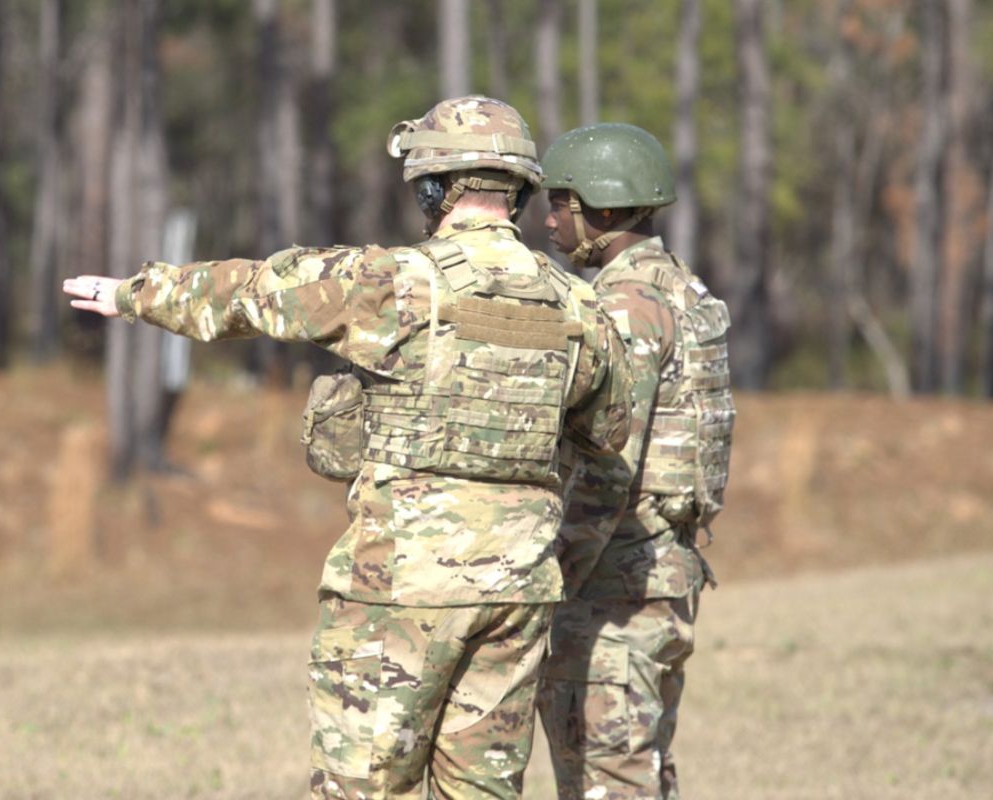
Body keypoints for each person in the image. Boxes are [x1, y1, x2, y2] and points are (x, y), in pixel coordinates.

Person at [64, 96, 632, 800]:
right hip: (518, 589)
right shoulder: (578, 306)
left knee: (364, 786)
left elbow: (251, 292)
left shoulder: (394, 284)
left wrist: (134, 293)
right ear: (517, 191)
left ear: (436, 188)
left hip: (402, 585)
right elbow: (607, 438)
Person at [535, 123, 736, 800]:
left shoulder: (627, 307)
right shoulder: (681, 288)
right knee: (642, 775)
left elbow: (605, 465)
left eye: (562, 203)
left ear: (608, 210)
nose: (550, 218)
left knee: (607, 780)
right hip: (658, 580)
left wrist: (547, 579)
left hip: (612, 598)